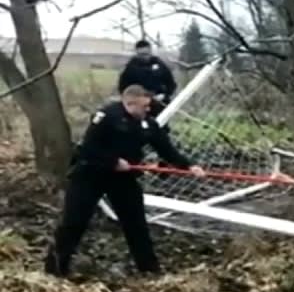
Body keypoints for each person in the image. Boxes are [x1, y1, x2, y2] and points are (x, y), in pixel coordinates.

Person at [44, 84, 205, 279]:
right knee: (74, 221)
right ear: (130, 103)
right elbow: (88, 148)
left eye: (149, 105)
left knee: (136, 223)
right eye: (144, 106)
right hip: (90, 175)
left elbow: (166, 149)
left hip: (123, 179)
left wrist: (188, 166)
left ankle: (149, 269)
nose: (148, 109)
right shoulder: (106, 117)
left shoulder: (148, 124)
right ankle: (56, 268)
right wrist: (112, 161)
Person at [118, 39, 178, 119]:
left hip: (160, 104)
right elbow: (123, 88)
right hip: (140, 106)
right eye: (141, 55)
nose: (144, 57)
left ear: (150, 51)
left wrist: (165, 95)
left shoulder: (159, 64)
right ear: (137, 53)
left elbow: (171, 83)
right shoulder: (131, 68)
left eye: (146, 54)